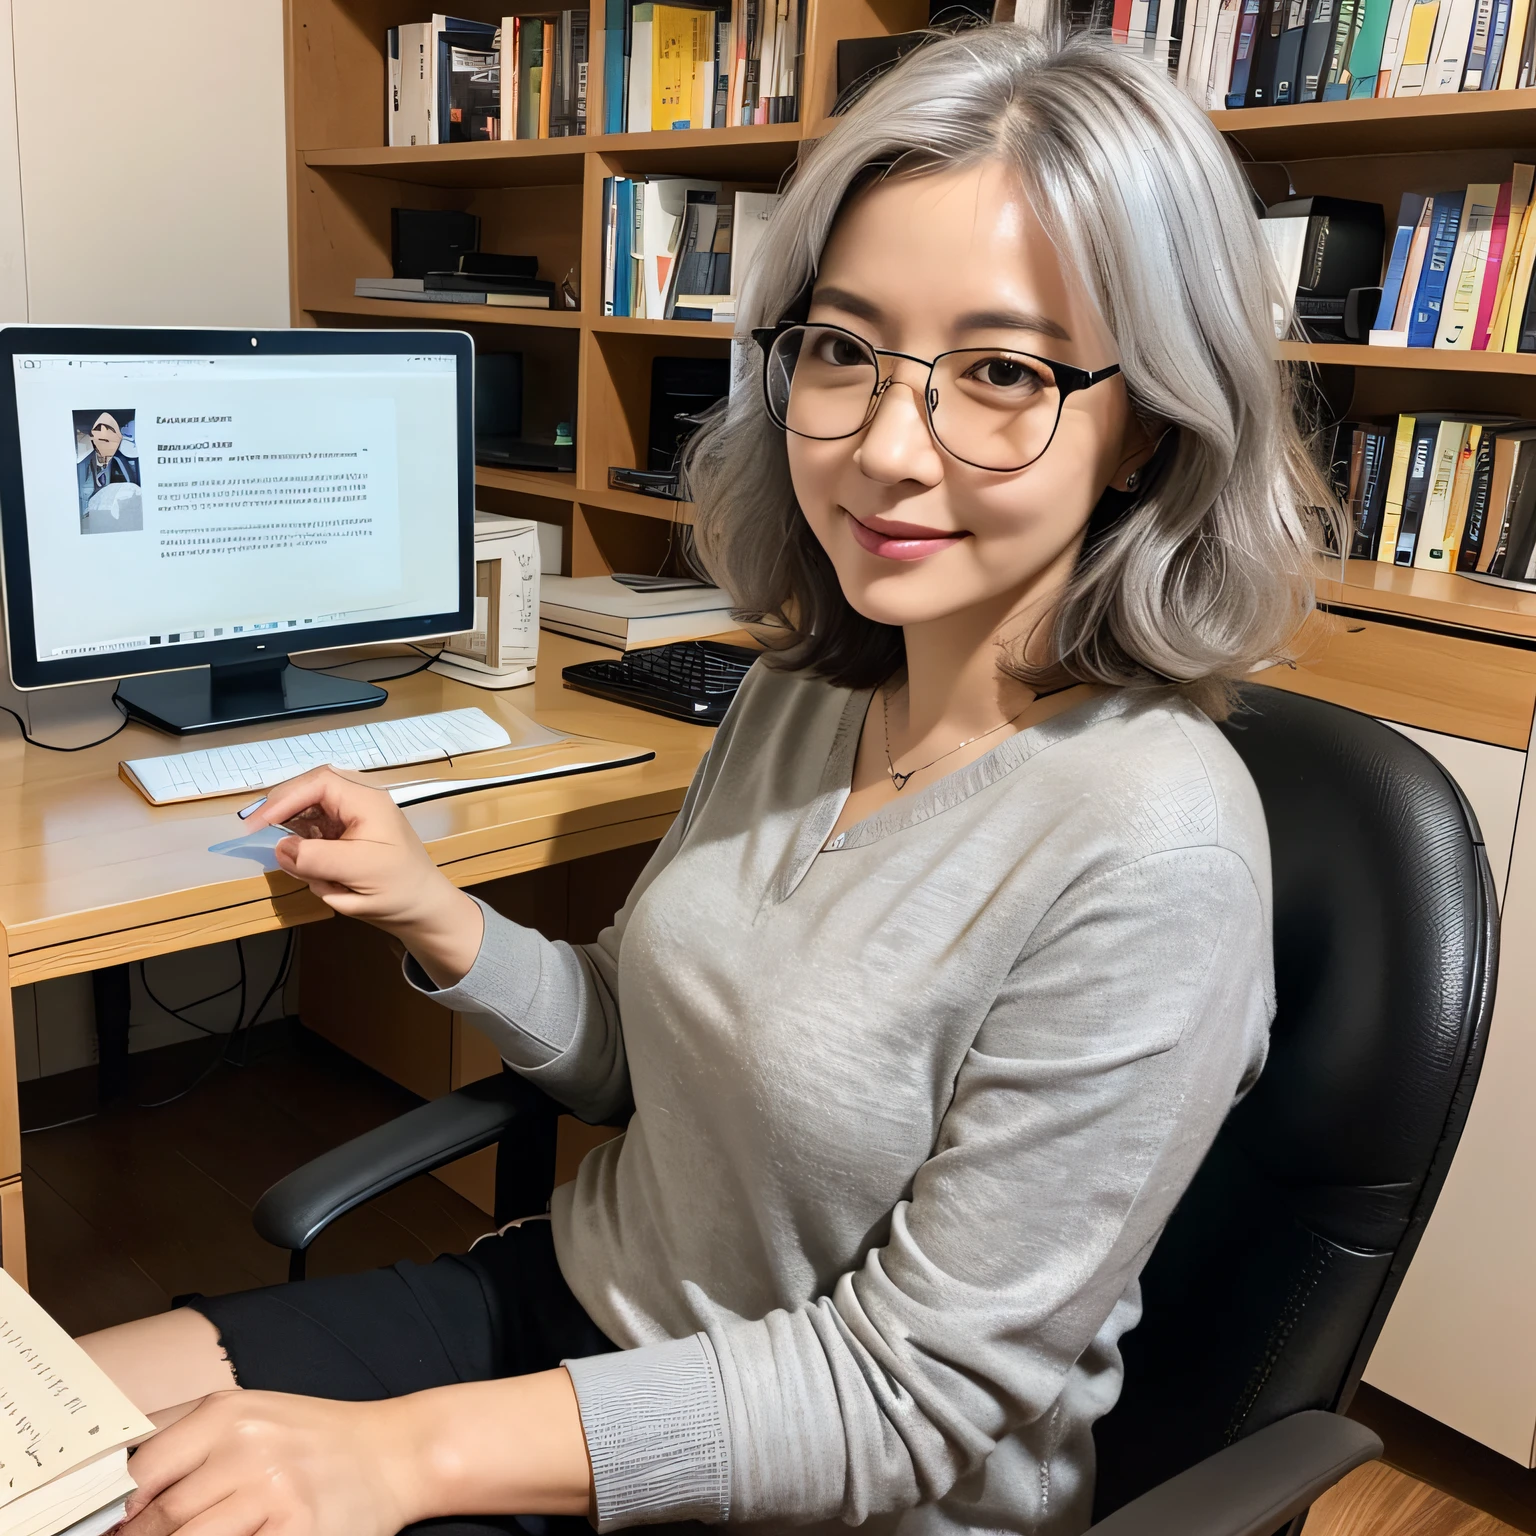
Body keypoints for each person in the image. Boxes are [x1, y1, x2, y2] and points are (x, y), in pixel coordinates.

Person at [81, 21, 1331, 1536]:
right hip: (566, 1321)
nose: (883, 449)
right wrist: (433, 911)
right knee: (57, 1425)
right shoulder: (800, 693)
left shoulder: (1156, 848)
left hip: (815, 1482)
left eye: (1000, 370)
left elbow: (912, 1391)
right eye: (842, 350)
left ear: (1148, 423)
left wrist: (398, 1459)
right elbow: (651, 1065)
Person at [76, 411, 139, 515]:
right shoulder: (83, 463)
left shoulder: (121, 462)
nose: (107, 446)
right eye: (102, 440)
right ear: (93, 439)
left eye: (111, 441)